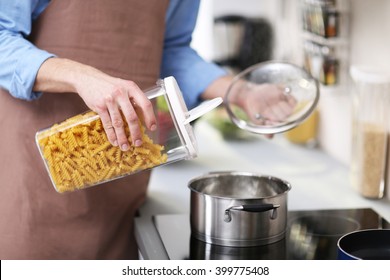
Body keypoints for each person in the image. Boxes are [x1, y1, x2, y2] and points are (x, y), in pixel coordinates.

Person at [0, 0, 294, 259]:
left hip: (121, 192)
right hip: (33, 179)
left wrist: (240, 91)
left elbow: (171, 48)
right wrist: (80, 76)